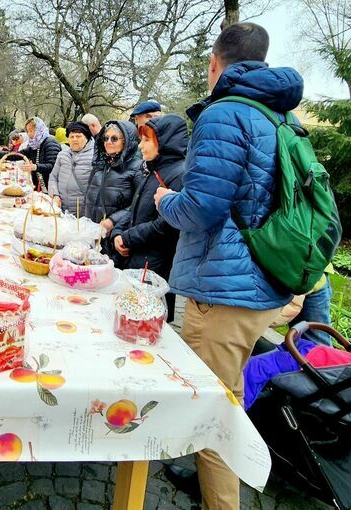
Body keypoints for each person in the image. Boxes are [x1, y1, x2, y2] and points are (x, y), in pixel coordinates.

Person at [154, 22, 298, 509]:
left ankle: (221, 499)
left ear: (215, 63)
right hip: (267, 281)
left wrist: (165, 201)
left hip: (224, 290)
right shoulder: (280, 116)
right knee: (228, 399)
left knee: (210, 411)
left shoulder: (224, 113)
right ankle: (217, 481)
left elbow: (201, 209)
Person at [110, 115, 188, 323]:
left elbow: (166, 224)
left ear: (164, 142)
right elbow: (134, 209)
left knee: (144, 325)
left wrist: (128, 238)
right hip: (135, 259)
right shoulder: (153, 170)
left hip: (154, 266)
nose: (141, 145)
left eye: (147, 140)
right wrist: (118, 233)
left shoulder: (179, 174)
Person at [84, 120, 141, 238]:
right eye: (105, 138)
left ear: (126, 142)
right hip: (92, 232)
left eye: (114, 138)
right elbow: (88, 197)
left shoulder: (137, 167)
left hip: (117, 234)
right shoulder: (99, 165)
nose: (108, 142)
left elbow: (140, 204)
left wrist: (113, 220)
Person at [0, 117, 62, 190]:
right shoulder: (35, 144)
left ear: (39, 129)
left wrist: (35, 167)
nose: (29, 134)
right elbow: (17, 155)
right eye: (28, 131)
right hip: (40, 186)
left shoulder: (51, 142)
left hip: (52, 188)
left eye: (31, 131)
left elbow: (52, 166)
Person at [48, 121, 94, 214]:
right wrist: (55, 195)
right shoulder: (62, 155)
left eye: (78, 136)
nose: (74, 139)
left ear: (86, 138)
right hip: (61, 210)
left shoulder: (94, 157)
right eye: (71, 137)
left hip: (83, 213)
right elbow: (53, 177)